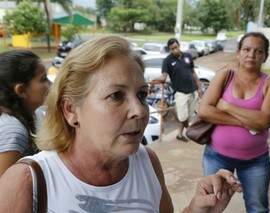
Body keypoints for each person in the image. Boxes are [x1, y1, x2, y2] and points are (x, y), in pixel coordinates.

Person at [0, 36, 241, 213]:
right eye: (116, 96)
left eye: (142, 95)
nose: (139, 111)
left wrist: (198, 208)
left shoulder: (147, 161)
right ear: (71, 110)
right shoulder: (27, 181)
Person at [198, 32, 270, 213]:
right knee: (210, 204)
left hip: (255, 161)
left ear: (265, 56)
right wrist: (249, 121)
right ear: (238, 52)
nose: (251, 55)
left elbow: (264, 121)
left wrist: (227, 106)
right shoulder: (225, 76)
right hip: (216, 156)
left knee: (257, 208)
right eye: (246, 49)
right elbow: (204, 111)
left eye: (258, 51)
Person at [0, 50, 50, 176]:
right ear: (21, 90)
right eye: (43, 79)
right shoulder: (13, 130)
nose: (50, 84)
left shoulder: (27, 117)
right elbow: (5, 188)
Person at [151, 38, 202, 142]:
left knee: (190, 115)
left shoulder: (187, 56)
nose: (174, 50)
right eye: (172, 49)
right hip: (180, 93)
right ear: (169, 49)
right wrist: (152, 81)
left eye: (176, 47)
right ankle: (190, 130)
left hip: (192, 91)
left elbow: (193, 72)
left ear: (179, 46)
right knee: (183, 117)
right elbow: (163, 77)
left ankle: (179, 134)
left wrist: (199, 87)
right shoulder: (167, 61)